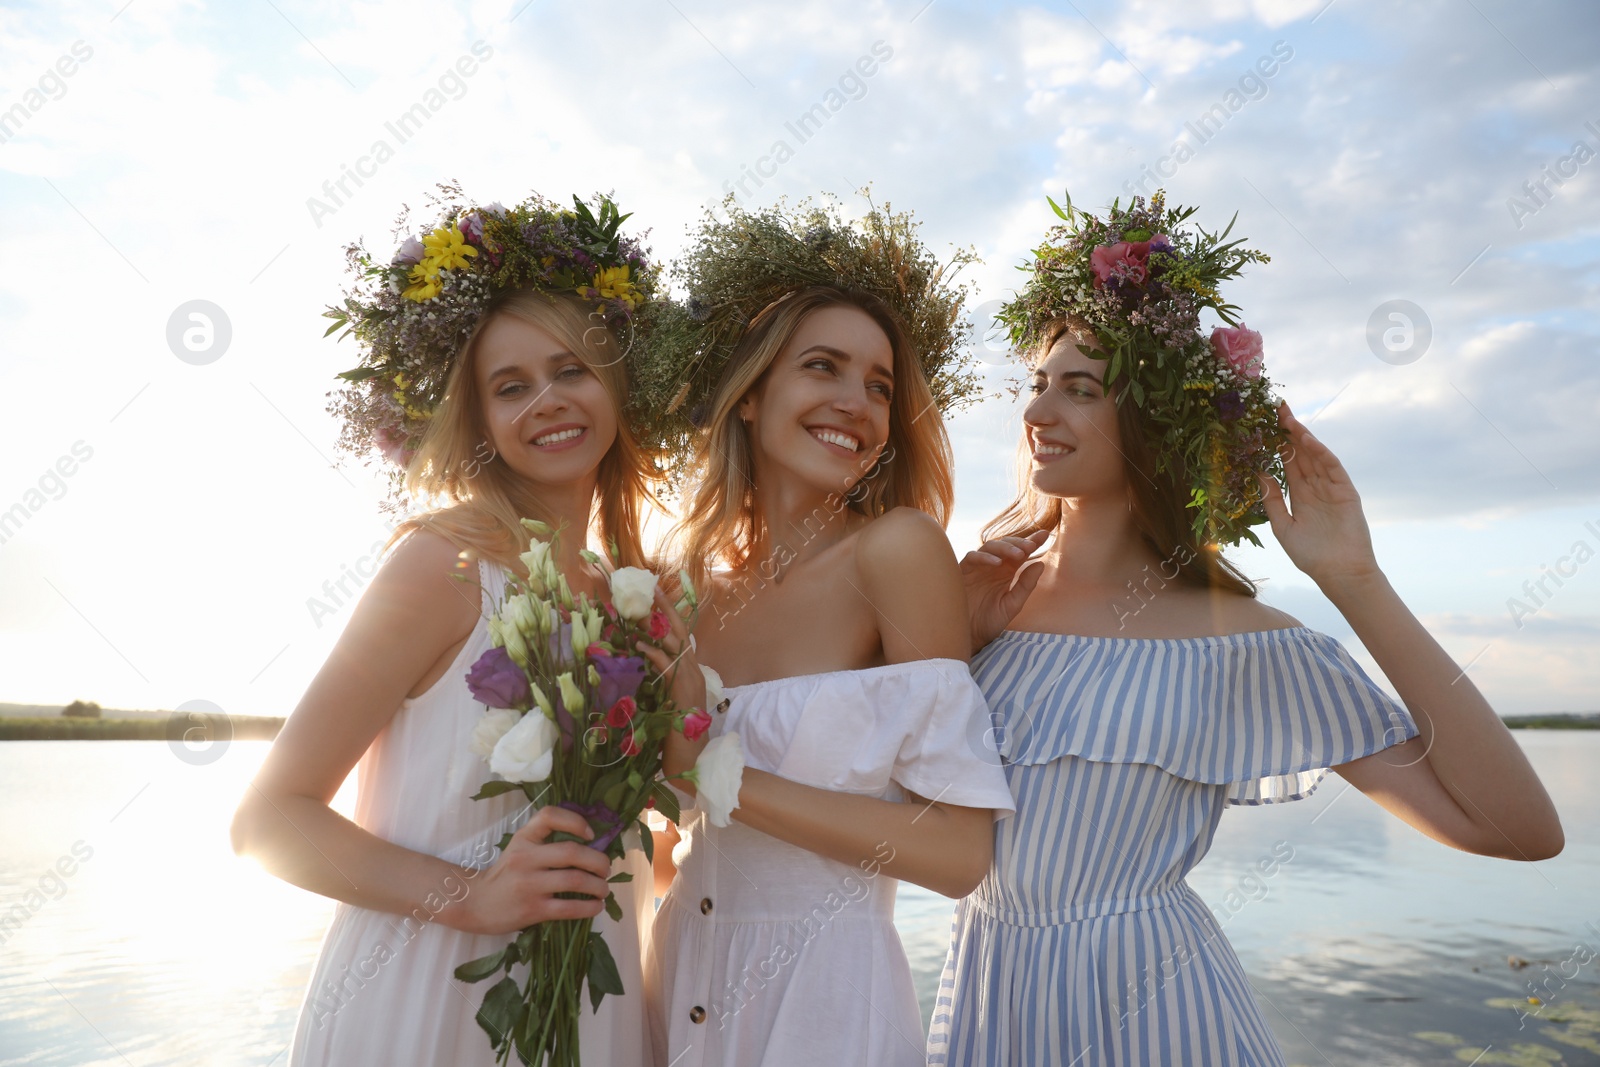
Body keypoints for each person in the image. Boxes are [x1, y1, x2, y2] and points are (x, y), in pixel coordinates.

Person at [928, 192, 1564, 1066]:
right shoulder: (977, 600)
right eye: (1038, 385)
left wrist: (1355, 580)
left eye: (1081, 389)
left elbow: (1519, 829)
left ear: (1156, 423)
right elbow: (876, 796)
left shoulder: (1241, 641)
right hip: (991, 1002)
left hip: (1155, 1018)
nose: (1039, 413)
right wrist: (951, 643)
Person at [230, 191, 679, 1067]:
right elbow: (267, 819)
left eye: (572, 369)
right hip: (429, 1003)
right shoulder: (444, 566)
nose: (546, 400)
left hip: (592, 1007)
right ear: (478, 420)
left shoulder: (640, 597)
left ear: (617, 382)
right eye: (510, 386)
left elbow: (648, 840)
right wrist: (472, 896)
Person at [638, 197, 1016, 1067]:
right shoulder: (676, 585)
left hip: (821, 1006)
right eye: (824, 368)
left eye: (879, 385)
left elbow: (958, 855)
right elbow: (663, 835)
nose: (857, 402)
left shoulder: (898, 551)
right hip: (674, 984)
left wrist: (717, 774)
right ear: (748, 396)